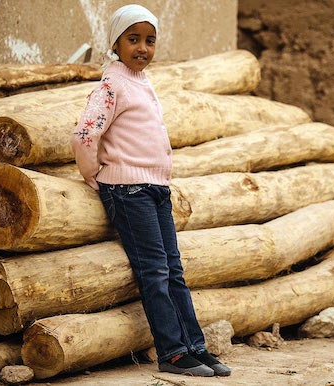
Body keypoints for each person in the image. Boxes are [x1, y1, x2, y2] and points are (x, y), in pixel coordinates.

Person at [70, 4, 231, 378]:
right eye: (133, 39)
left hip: (156, 188)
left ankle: (195, 346)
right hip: (128, 191)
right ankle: (172, 353)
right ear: (116, 43)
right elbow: (83, 136)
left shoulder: (141, 81)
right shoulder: (111, 86)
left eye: (150, 40)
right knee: (155, 272)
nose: (142, 48)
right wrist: (96, 177)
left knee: (174, 270)